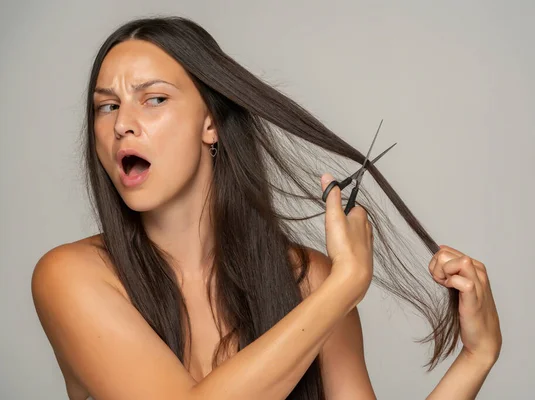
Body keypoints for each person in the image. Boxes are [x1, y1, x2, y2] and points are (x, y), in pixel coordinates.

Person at [31, 16, 502, 400]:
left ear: (210, 122)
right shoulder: (71, 277)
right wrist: (344, 287)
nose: (123, 126)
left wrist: (476, 358)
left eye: (154, 99)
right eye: (106, 107)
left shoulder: (310, 281)